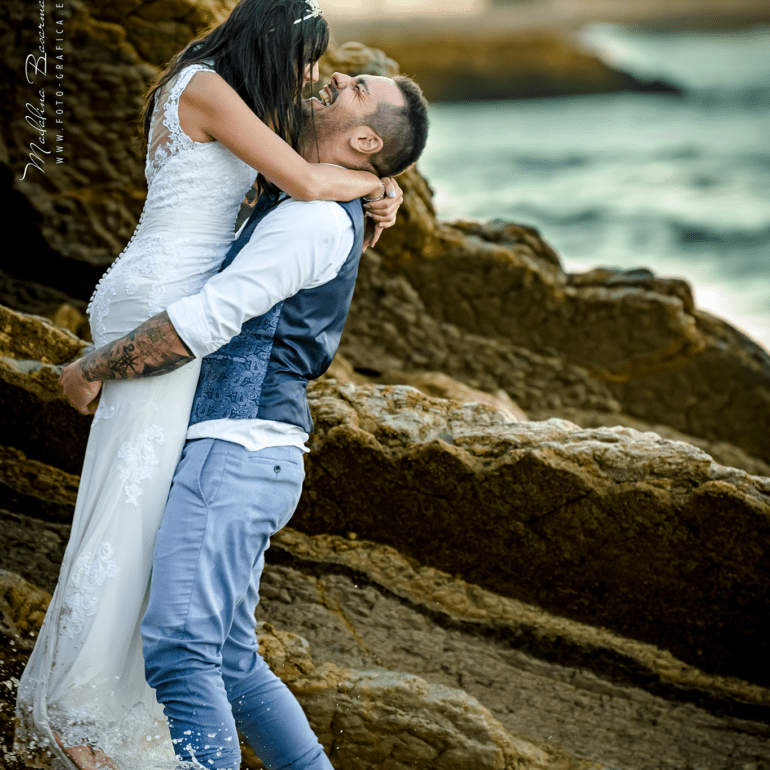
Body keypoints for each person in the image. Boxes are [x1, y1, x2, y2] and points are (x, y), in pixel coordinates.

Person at [14, 1, 402, 767]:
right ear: (275, 43)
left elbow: (316, 164)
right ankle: (89, 710)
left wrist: (382, 184)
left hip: (164, 292)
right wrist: (371, 184)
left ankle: (102, 702)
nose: (313, 78)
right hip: (169, 299)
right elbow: (301, 174)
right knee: (136, 508)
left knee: (140, 500)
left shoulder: (223, 90)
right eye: (312, 60)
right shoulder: (210, 87)